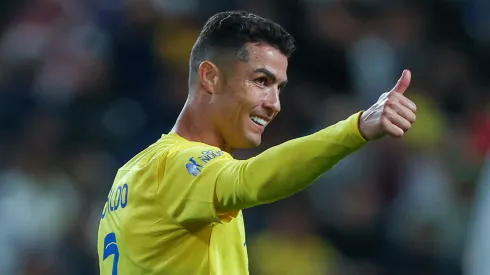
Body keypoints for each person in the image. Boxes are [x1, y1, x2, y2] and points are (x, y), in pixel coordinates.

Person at [97, 11, 417, 275]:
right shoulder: (180, 164)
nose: (274, 103)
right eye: (261, 81)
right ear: (211, 77)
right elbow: (249, 180)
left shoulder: (129, 172)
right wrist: (356, 128)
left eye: (279, 87)